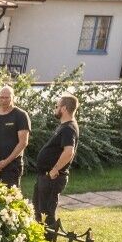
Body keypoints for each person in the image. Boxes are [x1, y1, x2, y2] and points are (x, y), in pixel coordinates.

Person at [33, 95, 79, 229]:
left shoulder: (68, 128)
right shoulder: (64, 126)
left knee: (47, 212)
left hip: (53, 177)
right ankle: (40, 238)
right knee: (38, 208)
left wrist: (55, 169)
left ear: (64, 108)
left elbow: (69, 152)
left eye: (57, 106)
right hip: (46, 175)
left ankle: (48, 240)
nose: (55, 109)